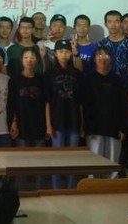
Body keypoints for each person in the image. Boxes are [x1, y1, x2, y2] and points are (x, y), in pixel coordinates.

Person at [97, 10, 128, 174]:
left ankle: (126, 166)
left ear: (121, 23)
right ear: (105, 23)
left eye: (117, 21)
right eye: (110, 21)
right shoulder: (101, 44)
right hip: (106, 92)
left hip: (125, 91)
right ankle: (107, 167)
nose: (113, 24)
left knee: (126, 129)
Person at [44, 39, 83, 189]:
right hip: (56, 121)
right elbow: (47, 101)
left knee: (73, 159)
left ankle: (71, 188)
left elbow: (80, 101)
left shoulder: (77, 74)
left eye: (67, 51)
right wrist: (48, 124)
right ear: (55, 53)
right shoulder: (49, 74)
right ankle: (56, 189)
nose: (64, 55)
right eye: (61, 51)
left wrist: (82, 123)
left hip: (74, 120)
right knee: (57, 158)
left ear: (71, 53)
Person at [7, 46, 46, 189]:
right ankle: (21, 192)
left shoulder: (41, 79)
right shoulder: (15, 79)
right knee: (21, 162)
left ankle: (40, 191)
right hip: (22, 125)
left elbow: (46, 103)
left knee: (40, 162)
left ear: (36, 60)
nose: (29, 60)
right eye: (26, 58)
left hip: (39, 125)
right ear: (21, 60)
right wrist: (13, 122)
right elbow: (11, 103)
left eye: (32, 57)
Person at [83, 46, 126, 177]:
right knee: (94, 163)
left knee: (113, 163)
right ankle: (93, 186)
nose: (103, 59)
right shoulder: (88, 79)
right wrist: (87, 127)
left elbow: (123, 105)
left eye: (106, 56)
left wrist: (122, 128)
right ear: (94, 59)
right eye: (99, 56)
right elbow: (85, 105)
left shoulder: (117, 80)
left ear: (111, 59)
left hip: (114, 128)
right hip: (94, 129)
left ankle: (111, 187)